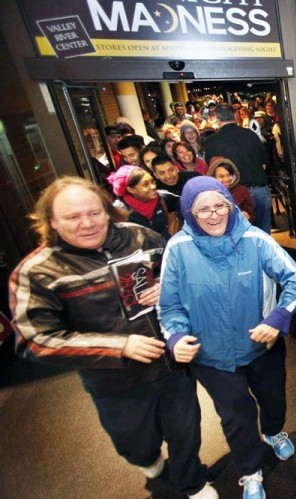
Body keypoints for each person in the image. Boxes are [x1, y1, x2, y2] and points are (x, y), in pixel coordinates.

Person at [10, 177, 216, 499]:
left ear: (108, 211)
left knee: (186, 432)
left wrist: (169, 287)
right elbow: (35, 340)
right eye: (73, 217)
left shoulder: (142, 238)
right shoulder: (39, 271)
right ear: (52, 221)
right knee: (135, 444)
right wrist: (118, 346)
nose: (87, 223)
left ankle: (192, 481)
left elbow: (185, 274)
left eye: (94, 213)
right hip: (115, 382)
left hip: (172, 365)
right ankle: (151, 466)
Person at [159, 177, 296, 499]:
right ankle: (250, 471)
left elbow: (294, 280)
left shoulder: (255, 239)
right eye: (202, 210)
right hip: (212, 357)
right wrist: (177, 337)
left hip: (262, 347)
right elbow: (169, 306)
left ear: (231, 205)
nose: (213, 215)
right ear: (189, 214)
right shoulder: (178, 249)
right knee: (236, 417)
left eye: (220, 206)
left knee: (273, 399)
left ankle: (274, 431)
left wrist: (277, 318)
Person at [204, 103, 272, 234]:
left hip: (235, 194)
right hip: (260, 190)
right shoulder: (250, 135)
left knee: (241, 236)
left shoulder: (211, 142)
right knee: (265, 236)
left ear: (217, 118)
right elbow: (264, 163)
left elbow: (212, 171)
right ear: (235, 116)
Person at [107, 165, 170, 241]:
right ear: (131, 190)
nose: (153, 186)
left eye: (152, 182)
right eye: (145, 184)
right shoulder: (118, 211)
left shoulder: (161, 197)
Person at [208, 156, 255, 223]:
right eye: (221, 176)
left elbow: (251, 215)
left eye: (229, 175)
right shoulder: (208, 194)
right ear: (213, 177)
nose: (226, 179)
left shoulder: (242, 190)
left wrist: (247, 216)